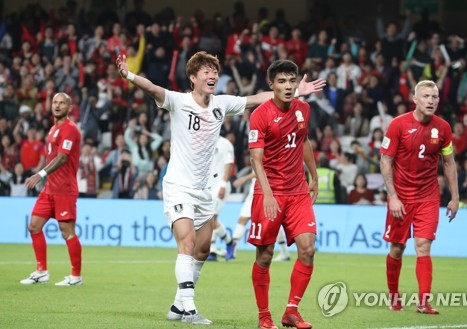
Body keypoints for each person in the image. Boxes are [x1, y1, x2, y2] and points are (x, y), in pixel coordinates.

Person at [115, 51, 324, 325]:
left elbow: (258, 98)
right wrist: (128, 75)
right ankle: (189, 309)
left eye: (214, 71)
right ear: (193, 78)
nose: (212, 75)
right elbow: (153, 87)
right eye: (206, 71)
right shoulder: (179, 101)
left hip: (204, 189)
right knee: (187, 243)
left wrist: (297, 91)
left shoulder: (221, 103)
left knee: (202, 249)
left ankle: (178, 306)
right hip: (178, 185)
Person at [248, 59, 318, 329]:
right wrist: (266, 194)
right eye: (281, 81)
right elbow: (256, 159)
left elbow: (304, 141)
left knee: (308, 250)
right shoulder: (261, 115)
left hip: (298, 191)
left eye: (291, 81)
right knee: (264, 256)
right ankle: (264, 316)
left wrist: (314, 175)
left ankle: (291, 311)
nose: (287, 86)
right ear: (271, 85)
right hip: (270, 191)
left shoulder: (304, 109)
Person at [380, 80, 459, 314]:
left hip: (428, 196)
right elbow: (386, 160)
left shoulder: (443, 128)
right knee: (397, 248)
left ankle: (424, 303)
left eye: (434, 97)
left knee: (423, 247)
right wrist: (392, 196)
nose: (431, 101)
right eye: (426, 96)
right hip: (401, 197)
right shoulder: (397, 125)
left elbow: (449, 162)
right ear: (415, 99)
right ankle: (394, 297)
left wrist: (455, 197)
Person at [20, 92, 83, 286]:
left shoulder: (70, 129)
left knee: (67, 231)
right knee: (34, 226)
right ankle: (42, 271)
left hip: (64, 189)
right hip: (49, 189)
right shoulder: (53, 129)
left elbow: (63, 157)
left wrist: (40, 174)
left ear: (69, 107)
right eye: (55, 102)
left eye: (62, 103)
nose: (57, 105)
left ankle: (75, 276)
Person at [206, 135, 236, 261]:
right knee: (209, 218)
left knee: (211, 217)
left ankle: (213, 251)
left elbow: (229, 164)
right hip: (209, 185)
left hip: (221, 184)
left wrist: (223, 184)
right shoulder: (205, 142)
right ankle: (229, 243)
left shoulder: (225, 143)